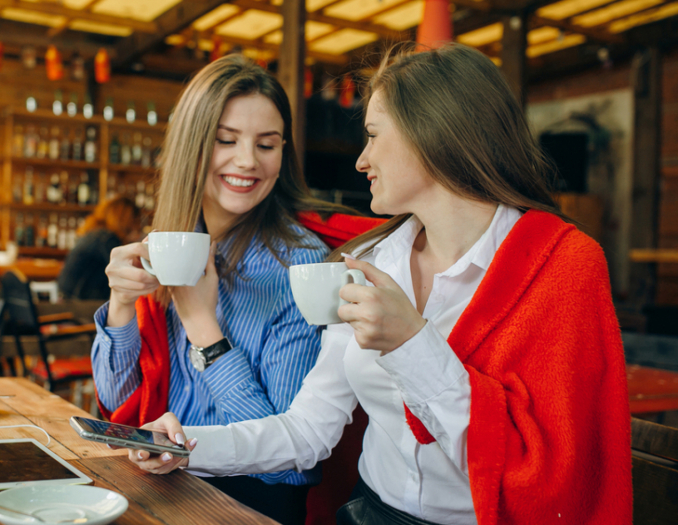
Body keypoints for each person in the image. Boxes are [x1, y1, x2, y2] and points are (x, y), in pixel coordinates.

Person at [123, 44, 632, 525]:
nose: (361, 160)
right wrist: (187, 445)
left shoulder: (563, 265)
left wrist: (412, 343)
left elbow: (544, 471)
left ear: (432, 133)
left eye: (373, 134)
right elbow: (308, 431)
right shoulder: (368, 259)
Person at [91, 54, 354, 525]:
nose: (247, 161)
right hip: (158, 482)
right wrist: (121, 306)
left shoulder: (301, 263)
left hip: (248, 504)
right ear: (193, 145)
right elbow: (117, 401)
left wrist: (203, 329)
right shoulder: (170, 240)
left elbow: (289, 459)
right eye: (225, 140)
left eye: (267, 145)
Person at [58, 196, 139, 301]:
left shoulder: (96, 233)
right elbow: (125, 269)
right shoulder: (106, 238)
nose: (137, 226)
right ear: (125, 218)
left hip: (68, 298)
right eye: (135, 220)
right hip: (79, 303)